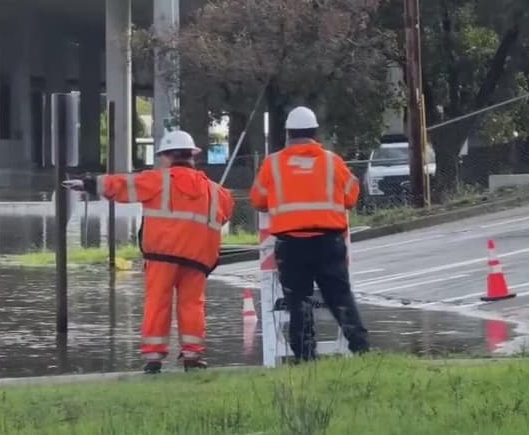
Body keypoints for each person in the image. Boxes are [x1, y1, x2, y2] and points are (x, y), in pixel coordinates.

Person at [63, 130, 234, 374]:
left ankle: (154, 358)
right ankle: (192, 356)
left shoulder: (159, 180)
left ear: (167, 157)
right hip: (197, 259)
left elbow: (123, 185)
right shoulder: (216, 191)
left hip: (162, 256)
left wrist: (89, 182)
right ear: (192, 157)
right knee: (192, 305)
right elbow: (226, 211)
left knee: (157, 303)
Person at [250, 106, 370, 363]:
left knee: (298, 302)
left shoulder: (273, 164)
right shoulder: (332, 161)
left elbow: (258, 200)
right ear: (315, 133)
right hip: (329, 242)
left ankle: (305, 357)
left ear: (287, 134)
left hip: (292, 246)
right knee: (340, 297)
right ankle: (362, 348)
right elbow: (352, 195)